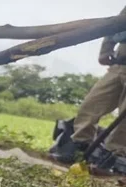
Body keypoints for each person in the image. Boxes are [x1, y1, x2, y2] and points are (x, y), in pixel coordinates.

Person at [52, 6, 126, 164]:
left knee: (124, 118)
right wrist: (105, 50)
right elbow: (114, 24)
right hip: (119, 63)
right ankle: (80, 143)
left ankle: (115, 156)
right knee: (91, 104)